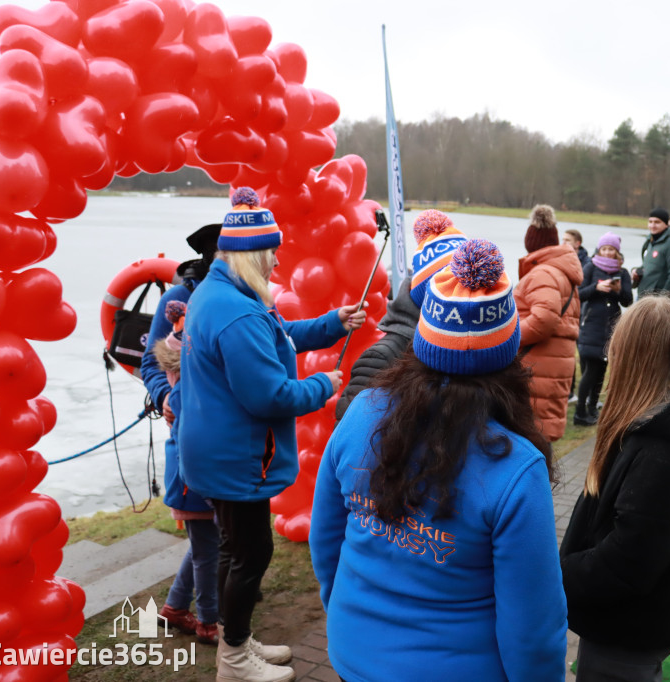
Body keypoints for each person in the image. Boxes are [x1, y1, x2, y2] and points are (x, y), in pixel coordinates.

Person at [310, 239, 568, 682]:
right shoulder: (516, 469)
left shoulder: (362, 414)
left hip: (352, 654)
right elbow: (532, 629)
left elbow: (326, 543)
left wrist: (348, 617)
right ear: (508, 357)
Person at [179, 188, 366, 682]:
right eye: (272, 254)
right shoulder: (236, 310)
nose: (279, 261)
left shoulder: (224, 292)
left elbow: (277, 335)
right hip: (235, 456)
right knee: (251, 554)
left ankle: (233, 640)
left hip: (219, 450)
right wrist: (322, 386)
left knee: (233, 551)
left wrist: (332, 323)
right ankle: (235, 659)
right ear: (255, 255)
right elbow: (269, 396)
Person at [560, 295, 670, 682]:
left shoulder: (661, 448)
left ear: (634, 357)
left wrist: (557, 573)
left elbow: (632, 561)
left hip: (629, 626)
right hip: (646, 615)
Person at [335, 210, 466, 421]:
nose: (468, 299)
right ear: (430, 294)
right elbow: (347, 444)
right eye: (459, 288)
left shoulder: (464, 349)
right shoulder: (382, 358)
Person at [148, 301, 220, 646]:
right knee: (208, 550)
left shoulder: (181, 378)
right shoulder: (188, 387)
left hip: (189, 474)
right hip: (194, 477)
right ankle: (208, 621)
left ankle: (175, 607)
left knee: (203, 543)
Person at [142, 222, 222, 429]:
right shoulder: (178, 297)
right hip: (188, 422)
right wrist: (165, 396)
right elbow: (151, 363)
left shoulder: (253, 295)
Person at [515, 204, 583, 441]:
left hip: (539, 367)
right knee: (541, 440)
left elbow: (543, 320)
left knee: (533, 438)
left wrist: (507, 336)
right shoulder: (561, 272)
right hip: (552, 365)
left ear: (531, 243)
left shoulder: (543, 273)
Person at [574, 232, 633, 426]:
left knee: (602, 370)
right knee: (591, 369)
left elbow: (628, 301)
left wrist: (617, 291)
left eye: (611, 250)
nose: (607, 253)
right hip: (591, 325)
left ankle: (592, 408)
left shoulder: (622, 273)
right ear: (600, 250)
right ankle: (580, 412)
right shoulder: (590, 267)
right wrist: (596, 288)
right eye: (604, 249)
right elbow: (578, 294)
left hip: (611, 327)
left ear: (617, 252)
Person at [633, 207, 670, 300]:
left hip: (658, 302)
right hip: (643, 297)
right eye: (650, 222)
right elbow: (648, 266)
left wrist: (662, 300)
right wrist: (637, 272)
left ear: (666, 224)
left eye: (657, 222)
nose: (652, 225)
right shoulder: (651, 240)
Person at [563, 228, 590, 400]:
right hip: (566, 312)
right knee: (567, 352)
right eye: (562, 239)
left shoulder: (587, 264)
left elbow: (582, 290)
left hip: (583, 314)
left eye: (567, 240)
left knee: (583, 353)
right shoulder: (562, 259)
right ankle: (570, 391)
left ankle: (586, 393)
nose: (563, 243)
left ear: (577, 244)